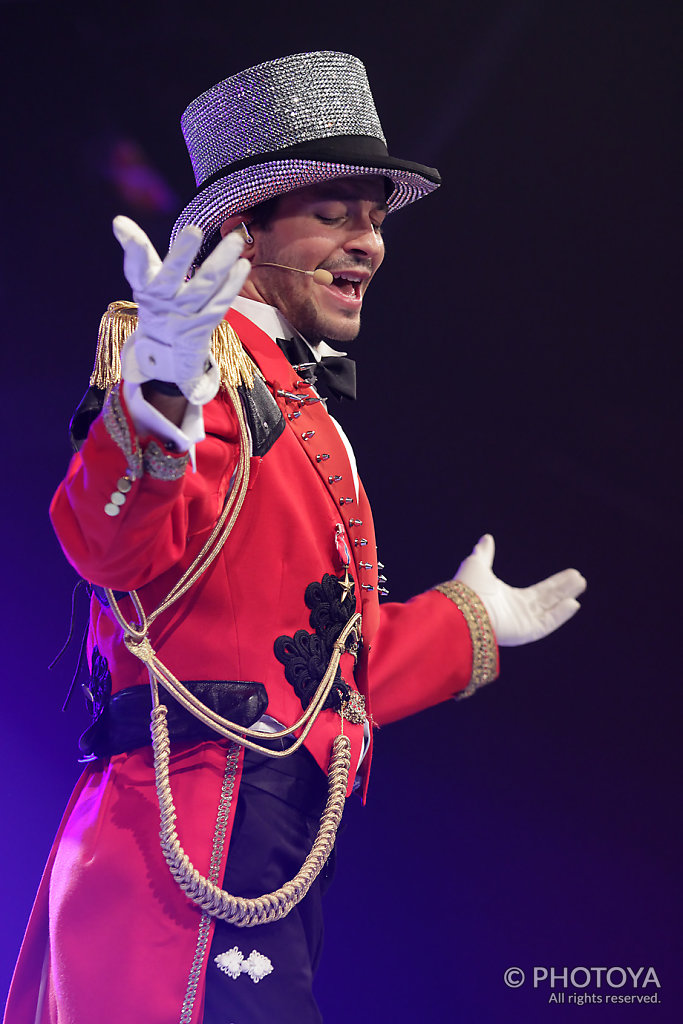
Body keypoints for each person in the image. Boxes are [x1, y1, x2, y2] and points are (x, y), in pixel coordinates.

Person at [4, 51, 586, 1024]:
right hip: (183, 837)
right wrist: (150, 397)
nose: (370, 243)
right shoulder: (197, 374)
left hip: (263, 824)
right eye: (333, 213)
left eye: (375, 216)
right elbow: (106, 549)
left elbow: (309, 673)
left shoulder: (289, 396)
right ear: (242, 228)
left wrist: (462, 622)